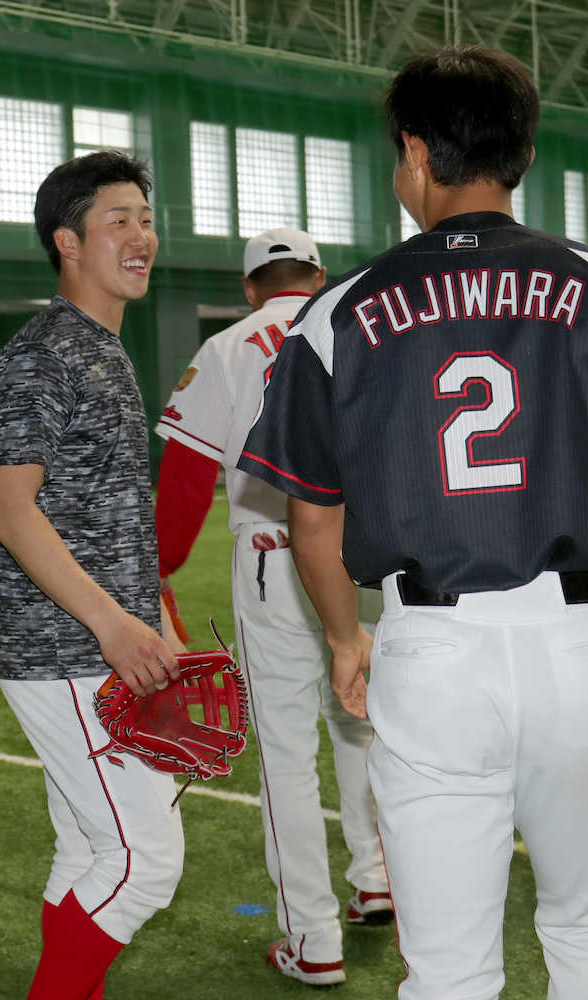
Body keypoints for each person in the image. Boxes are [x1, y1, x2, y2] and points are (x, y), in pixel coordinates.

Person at [237, 45, 588, 1000]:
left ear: (417, 154)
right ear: (522, 154)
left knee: (448, 968)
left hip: (429, 649)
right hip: (578, 644)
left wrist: (345, 640)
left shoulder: (335, 312)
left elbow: (313, 518)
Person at [154, 228, 392, 988]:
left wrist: (156, 576)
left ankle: (313, 940)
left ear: (251, 287)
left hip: (274, 561)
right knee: (363, 725)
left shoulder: (226, 348)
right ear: (318, 276)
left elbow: (187, 481)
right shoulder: (366, 330)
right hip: (364, 559)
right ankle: (377, 879)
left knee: (289, 758)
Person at [0, 151, 186, 1000]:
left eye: (144, 218)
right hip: (67, 647)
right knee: (145, 862)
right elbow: (13, 508)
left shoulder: (102, 347)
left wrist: (158, 614)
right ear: (68, 241)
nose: (140, 236)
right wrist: (113, 624)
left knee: (90, 850)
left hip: (99, 640)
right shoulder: (43, 354)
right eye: (118, 220)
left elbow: (107, 515)